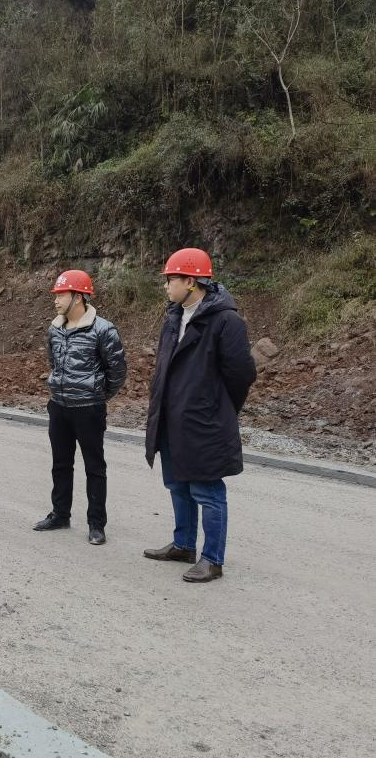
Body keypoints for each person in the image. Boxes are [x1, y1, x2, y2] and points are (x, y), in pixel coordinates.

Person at [143, 248, 256, 583]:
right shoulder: (174, 317)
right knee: (177, 484)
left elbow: (241, 374)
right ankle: (183, 545)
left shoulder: (226, 321)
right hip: (171, 418)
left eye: (171, 279)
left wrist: (217, 407)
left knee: (207, 491)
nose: (166, 285)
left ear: (191, 281)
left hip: (204, 422)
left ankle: (212, 559)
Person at [33, 270, 127, 545]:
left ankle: (96, 524)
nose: (56, 300)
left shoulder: (103, 330)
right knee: (60, 464)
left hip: (89, 409)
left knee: (94, 467)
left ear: (78, 297)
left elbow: (117, 371)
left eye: (61, 295)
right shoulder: (55, 328)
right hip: (59, 406)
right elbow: (53, 362)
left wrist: (98, 395)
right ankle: (60, 514)